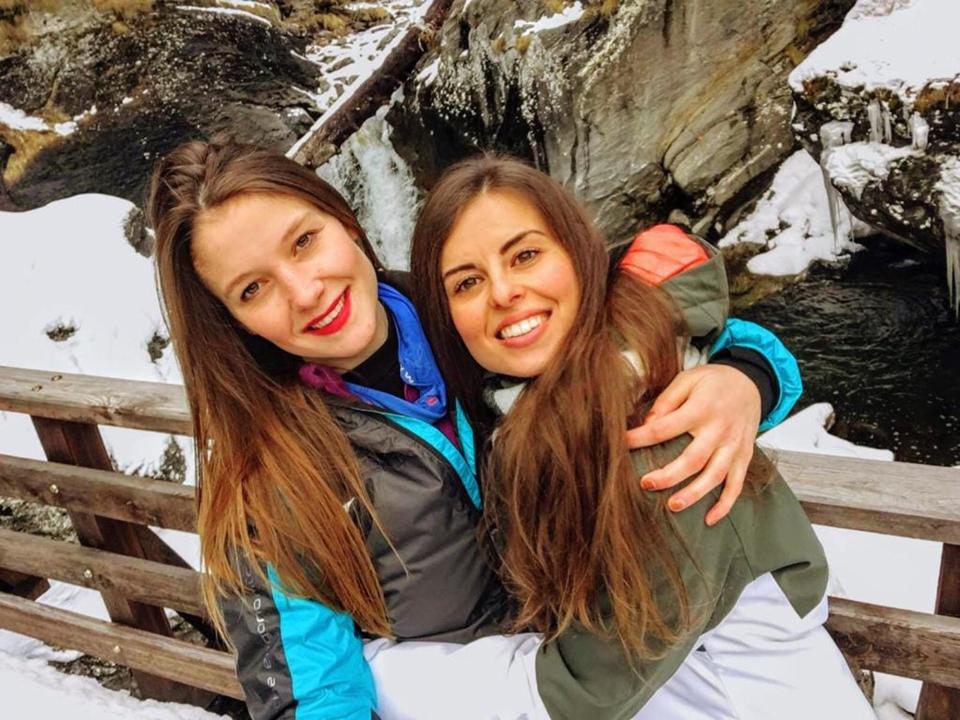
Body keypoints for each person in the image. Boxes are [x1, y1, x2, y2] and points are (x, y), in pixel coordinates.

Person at [148, 140, 803, 720]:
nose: (305, 291)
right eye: (253, 289)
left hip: (620, 655)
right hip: (479, 694)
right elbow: (313, 690)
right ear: (233, 321)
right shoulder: (268, 480)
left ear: (346, 221)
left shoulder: (473, 310)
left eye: (303, 241)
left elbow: (638, 318)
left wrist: (746, 378)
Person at [405, 154, 875, 720]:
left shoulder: (663, 444)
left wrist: (381, 667)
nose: (503, 292)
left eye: (525, 255)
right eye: (467, 282)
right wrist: (751, 370)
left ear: (581, 257)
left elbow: (580, 693)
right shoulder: (519, 406)